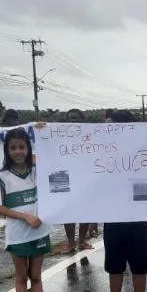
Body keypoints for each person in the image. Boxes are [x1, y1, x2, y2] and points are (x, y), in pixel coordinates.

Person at [0, 127, 54, 292]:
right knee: (21, 277)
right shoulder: (2, 176)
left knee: (36, 276)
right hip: (18, 234)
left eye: (22, 146)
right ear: (7, 150)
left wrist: (42, 130)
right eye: (13, 148)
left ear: (29, 148)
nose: (18, 151)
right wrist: (24, 217)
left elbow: (53, 157)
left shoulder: (38, 170)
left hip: (39, 232)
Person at [101, 109, 147, 292]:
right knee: (114, 267)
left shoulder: (142, 150)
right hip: (112, 216)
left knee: (139, 266)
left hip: (136, 216)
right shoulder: (102, 151)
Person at [62, 107, 86, 253]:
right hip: (63, 176)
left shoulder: (91, 133)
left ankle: (82, 241)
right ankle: (71, 242)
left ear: (82, 119)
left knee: (86, 210)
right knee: (67, 211)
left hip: (85, 176)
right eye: (70, 118)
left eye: (76, 118)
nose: (73, 120)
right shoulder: (56, 134)